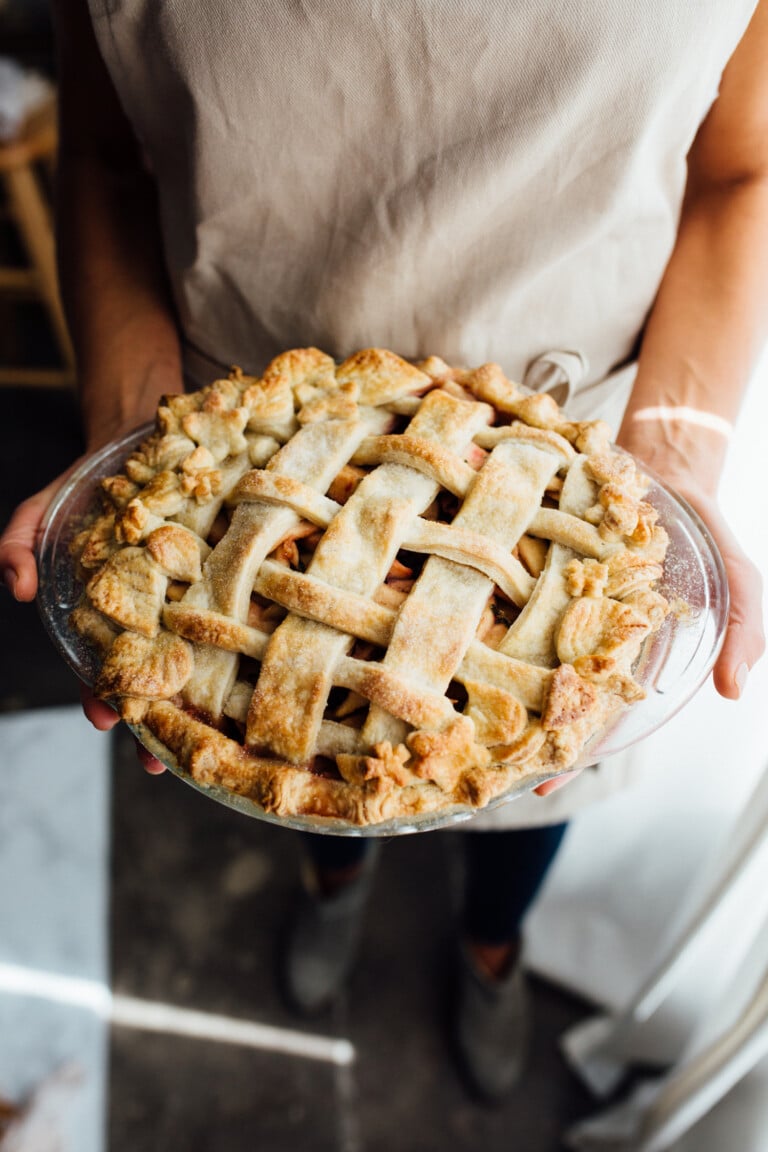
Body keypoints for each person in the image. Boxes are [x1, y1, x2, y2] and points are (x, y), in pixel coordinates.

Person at [1, 0, 765, 1103]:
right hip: (247, 476)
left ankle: (491, 944)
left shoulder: (601, 535)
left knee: (542, 788)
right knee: (302, 760)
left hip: (572, 489)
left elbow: (741, 171)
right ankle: (332, 876)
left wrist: (676, 474)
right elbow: (112, 154)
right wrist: (128, 446)